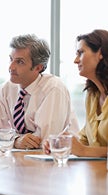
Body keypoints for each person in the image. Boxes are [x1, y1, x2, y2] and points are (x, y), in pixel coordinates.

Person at [0, 34, 79, 149]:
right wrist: (15, 140)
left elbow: (45, 140)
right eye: (11, 59)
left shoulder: (53, 88)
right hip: (23, 158)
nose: (11, 67)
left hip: (58, 158)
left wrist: (6, 139)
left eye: (20, 62)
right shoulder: (6, 89)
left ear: (38, 68)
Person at [44, 29, 108, 157]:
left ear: (100, 52)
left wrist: (84, 151)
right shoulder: (92, 95)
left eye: (81, 53)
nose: (76, 60)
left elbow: (85, 149)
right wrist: (63, 142)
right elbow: (85, 139)